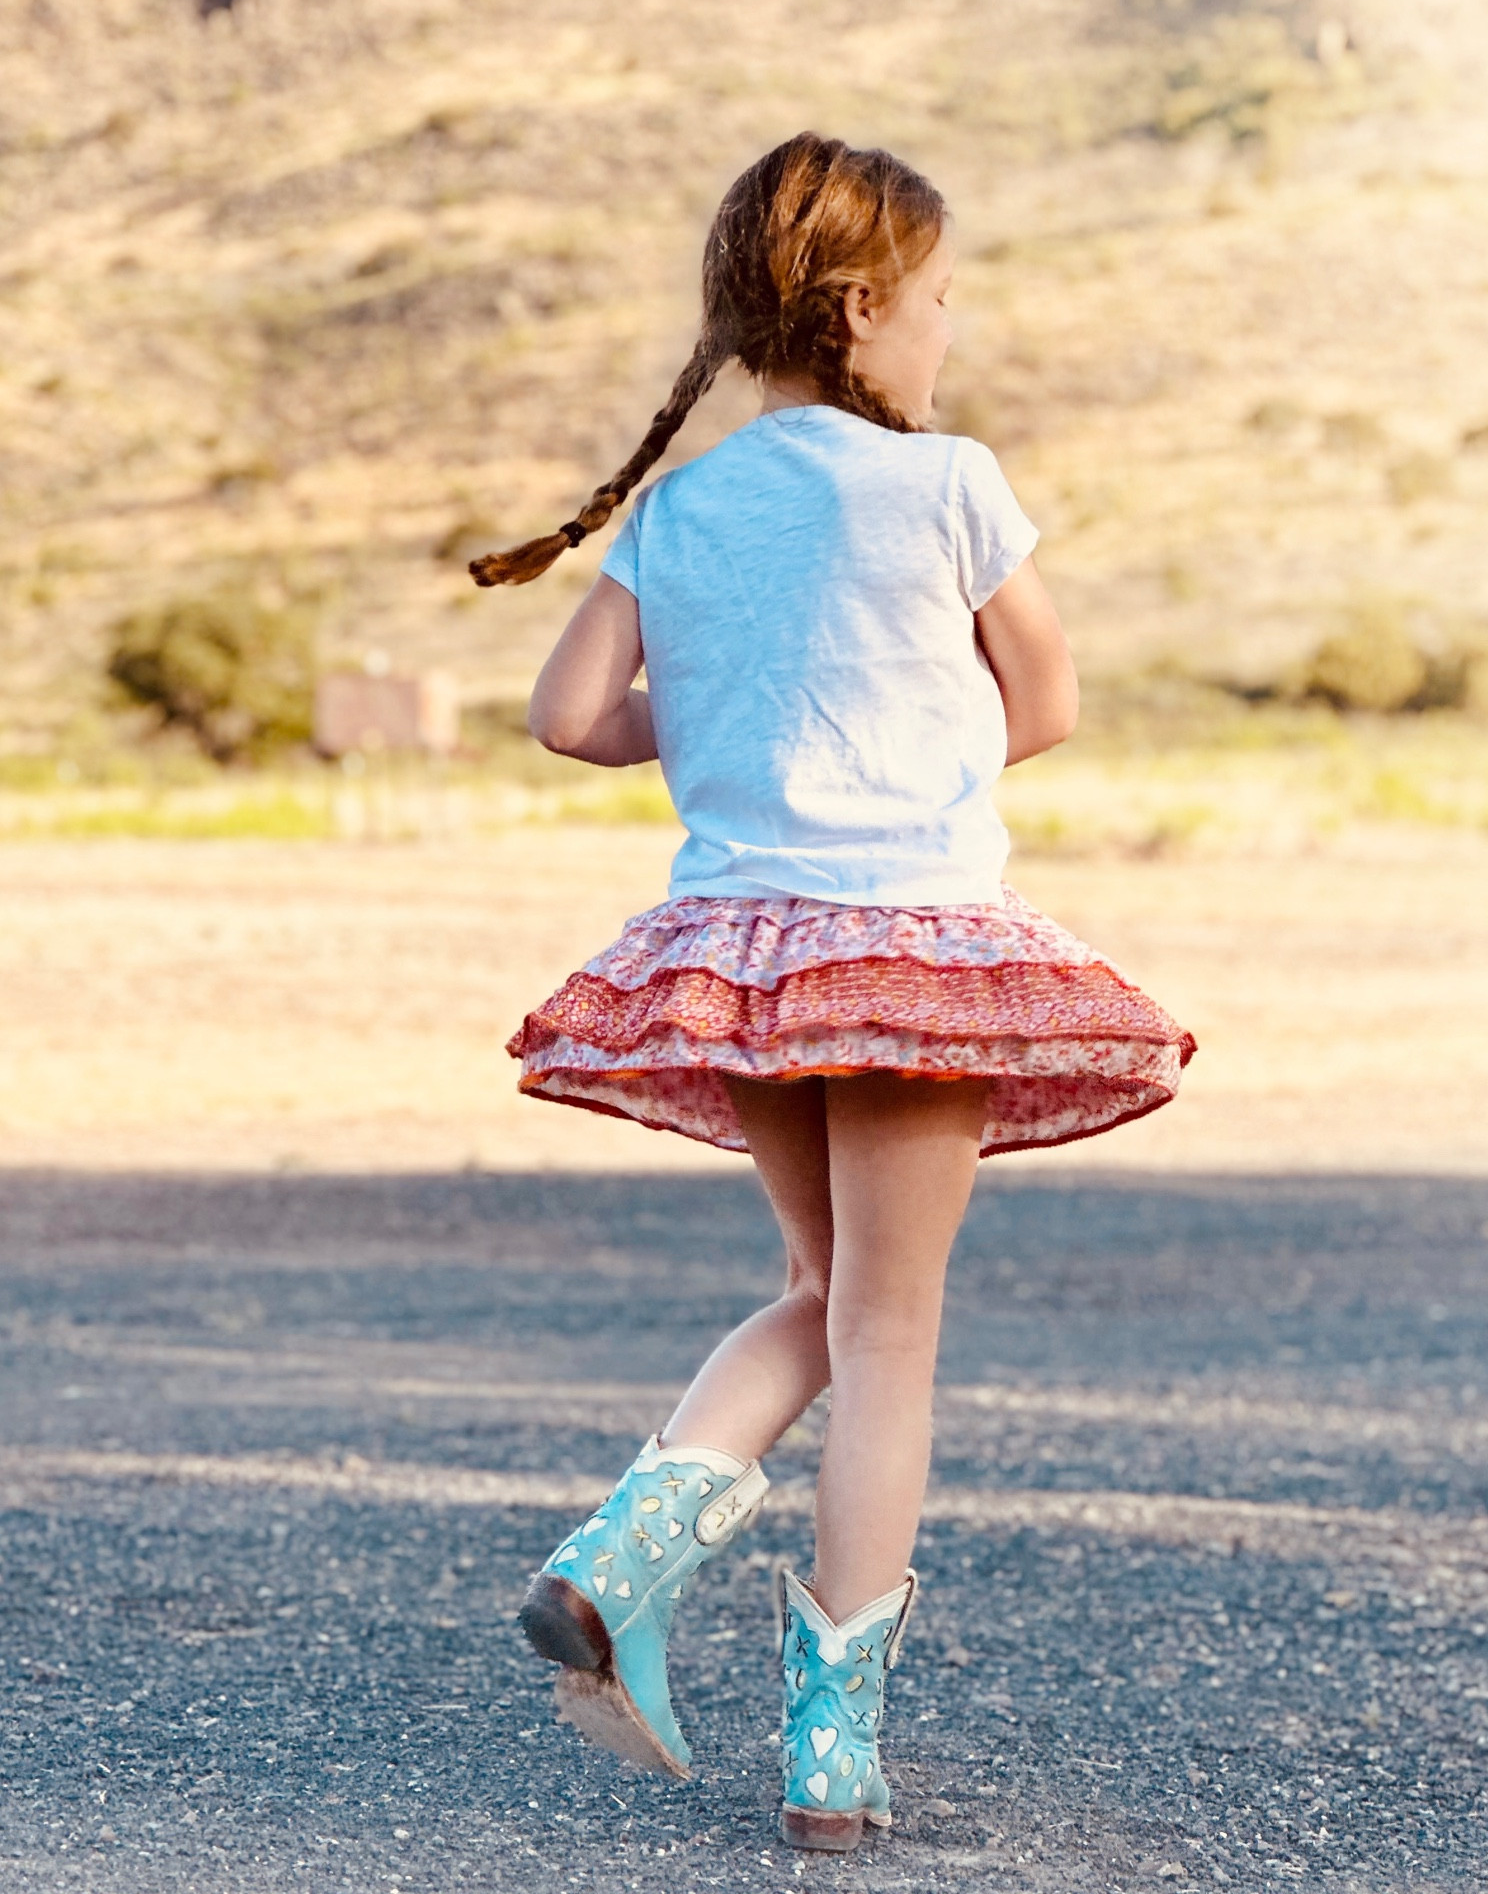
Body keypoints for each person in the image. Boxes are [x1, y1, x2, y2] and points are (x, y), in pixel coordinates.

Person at [470, 132, 1195, 1853]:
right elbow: (1049, 695)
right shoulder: (947, 483)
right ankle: (830, 1749)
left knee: (814, 1280)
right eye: (941, 300)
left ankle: (625, 1554)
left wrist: (740, 724)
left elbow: (572, 716)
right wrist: (909, 753)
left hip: (744, 954)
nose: (949, 333)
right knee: (886, 1327)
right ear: (864, 310)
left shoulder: (688, 506)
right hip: (912, 941)